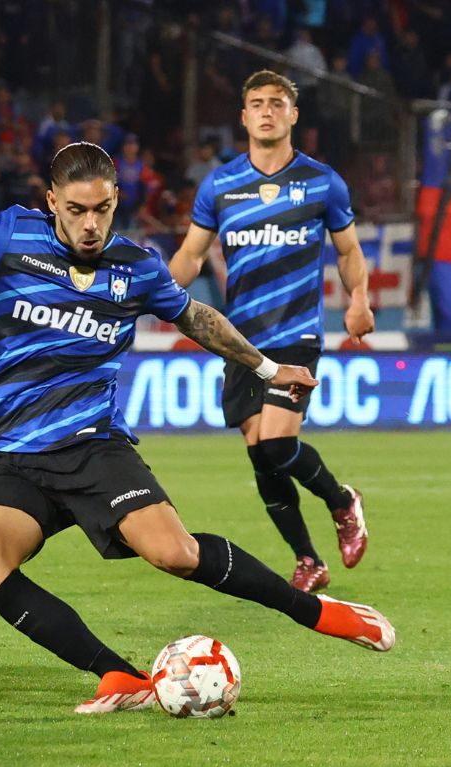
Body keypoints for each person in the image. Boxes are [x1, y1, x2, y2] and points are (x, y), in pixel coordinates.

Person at [0, 141, 394, 715]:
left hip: (93, 448)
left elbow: (197, 317)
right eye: (75, 210)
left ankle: (318, 613)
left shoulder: (137, 266)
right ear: (52, 202)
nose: (90, 224)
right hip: (16, 453)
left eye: (101, 209)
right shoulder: (8, 236)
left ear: (115, 200)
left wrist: (269, 368)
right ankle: (119, 676)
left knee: (175, 553)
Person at [169, 70, 375, 594]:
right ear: (243, 117)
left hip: (296, 334)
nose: (266, 111)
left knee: (279, 442)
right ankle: (308, 559)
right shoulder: (220, 185)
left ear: (293, 115)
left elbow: (349, 251)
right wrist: (153, 294)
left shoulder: (322, 181)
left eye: (276, 103)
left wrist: (358, 299)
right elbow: (192, 255)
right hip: (240, 342)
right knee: (260, 452)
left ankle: (341, 500)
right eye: (256, 102)